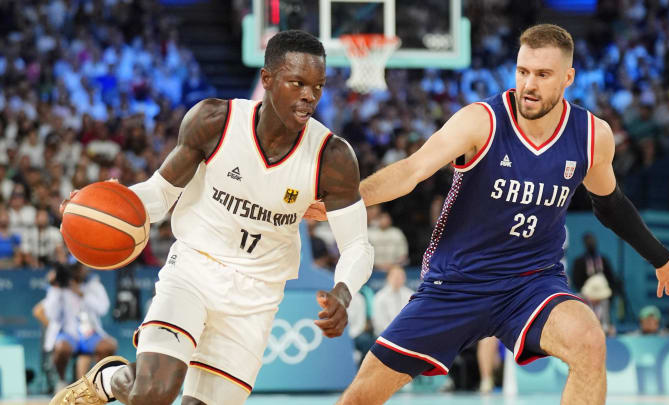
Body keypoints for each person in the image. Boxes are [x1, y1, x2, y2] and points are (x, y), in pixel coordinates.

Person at [306, 24, 669, 405]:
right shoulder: (482, 121)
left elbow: (610, 203)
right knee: (361, 395)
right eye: (522, 71)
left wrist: (661, 258)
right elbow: (411, 171)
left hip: (531, 284)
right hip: (457, 283)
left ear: (568, 77)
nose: (529, 84)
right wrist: (347, 198)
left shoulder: (591, 135)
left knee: (589, 339)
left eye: (543, 74)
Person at [52, 30, 374, 405]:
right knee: (154, 392)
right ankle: (110, 381)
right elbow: (160, 194)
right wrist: (109, 202)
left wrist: (343, 291)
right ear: (267, 80)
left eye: (318, 86)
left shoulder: (332, 157)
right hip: (194, 269)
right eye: (298, 83)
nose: (309, 96)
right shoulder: (214, 120)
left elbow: (357, 246)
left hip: (257, 295)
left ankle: (114, 378)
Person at [41, 261, 117, 391]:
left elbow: (103, 309)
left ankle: (98, 383)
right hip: (69, 334)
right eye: (73, 268)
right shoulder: (59, 288)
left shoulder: (94, 286)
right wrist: (56, 288)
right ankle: (61, 380)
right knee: (61, 348)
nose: (76, 271)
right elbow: (52, 314)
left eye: (79, 268)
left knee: (109, 346)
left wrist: (82, 295)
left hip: (90, 334)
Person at [371, 266, 413, 334]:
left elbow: (412, 318)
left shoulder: (411, 295)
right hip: (385, 335)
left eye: (401, 277)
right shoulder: (380, 297)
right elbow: (379, 322)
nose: (398, 279)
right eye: (395, 277)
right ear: (388, 278)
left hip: (406, 334)